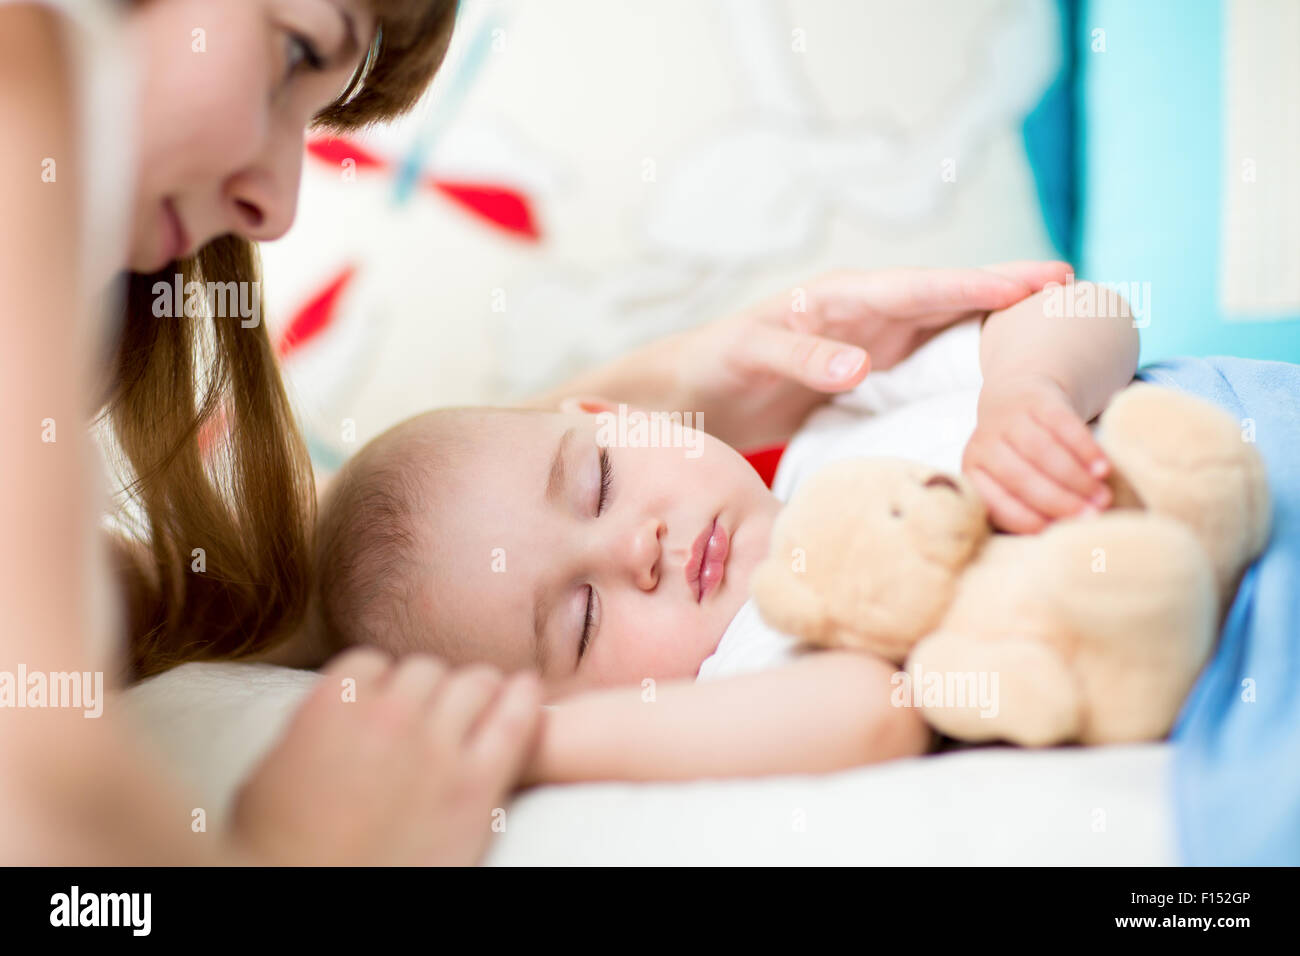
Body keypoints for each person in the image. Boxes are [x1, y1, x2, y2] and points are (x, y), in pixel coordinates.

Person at [0, 0, 1068, 864]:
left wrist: (645, 396)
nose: (275, 205)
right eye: (296, 46)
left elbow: (165, 609)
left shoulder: (847, 432)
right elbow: (53, 793)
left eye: (594, 475)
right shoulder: (25, 66)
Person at [302, 280, 1138, 781]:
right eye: (583, 619)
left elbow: (1086, 308)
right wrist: (525, 745)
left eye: (599, 484)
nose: (637, 550)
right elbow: (876, 713)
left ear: (616, 414)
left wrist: (1031, 386)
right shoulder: (751, 659)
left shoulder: (836, 422)